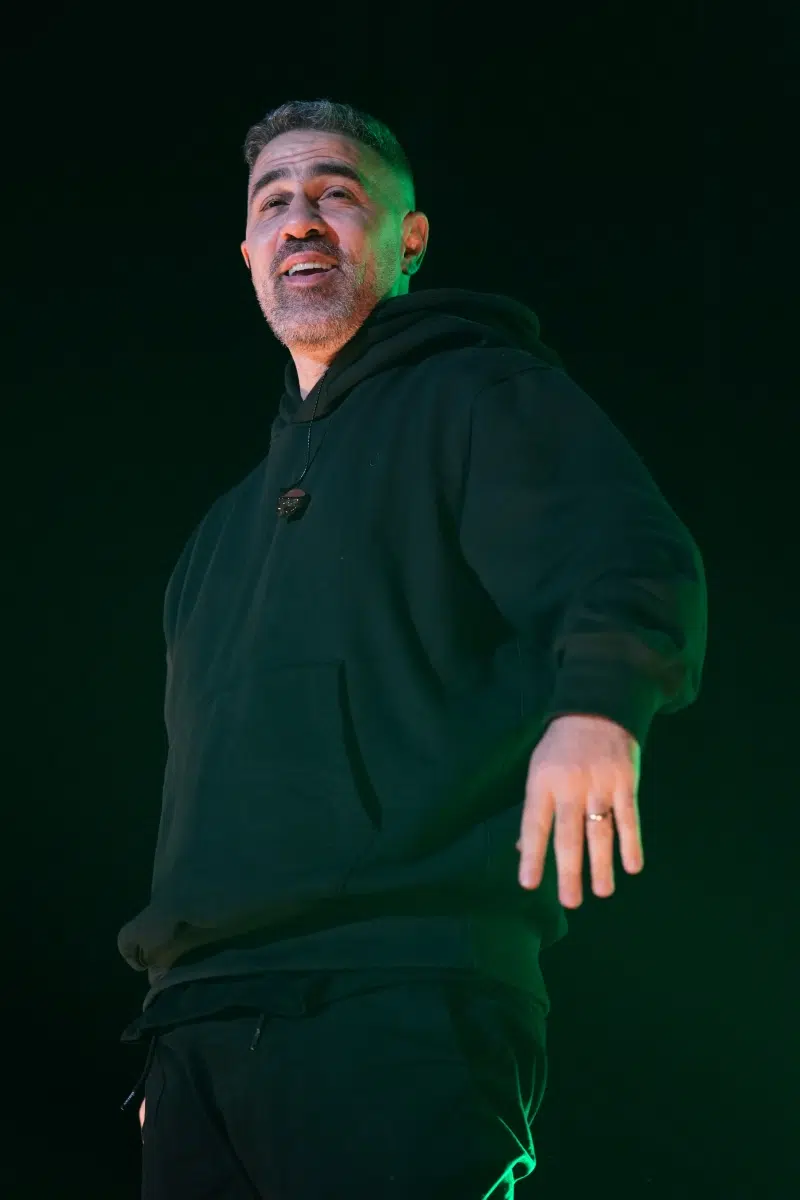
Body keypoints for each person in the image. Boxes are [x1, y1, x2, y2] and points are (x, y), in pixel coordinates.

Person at [117, 99, 707, 1199]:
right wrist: (175, 1024)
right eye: (273, 202)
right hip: (197, 1031)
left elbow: (625, 552)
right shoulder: (214, 539)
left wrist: (598, 704)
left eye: (336, 193)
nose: (300, 219)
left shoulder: (479, 394)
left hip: (397, 997)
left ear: (409, 241)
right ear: (246, 252)